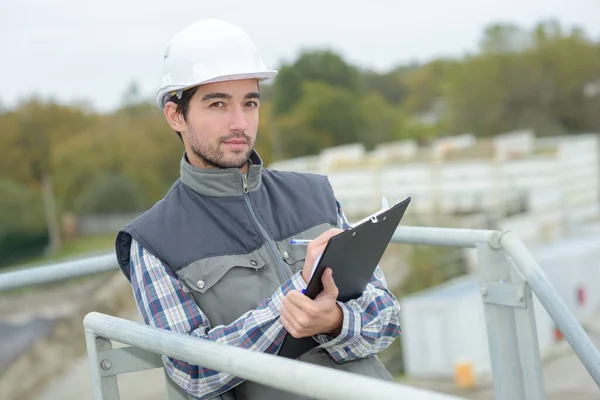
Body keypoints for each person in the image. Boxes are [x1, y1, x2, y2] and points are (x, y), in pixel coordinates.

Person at [115, 18, 402, 400]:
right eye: (218, 104)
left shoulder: (315, 194)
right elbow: (195, 370)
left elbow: (387, 318)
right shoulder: (152, 241)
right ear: (176, 115)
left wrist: (335, 321)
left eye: (249, 103)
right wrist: (295, 300)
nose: (240, 123)